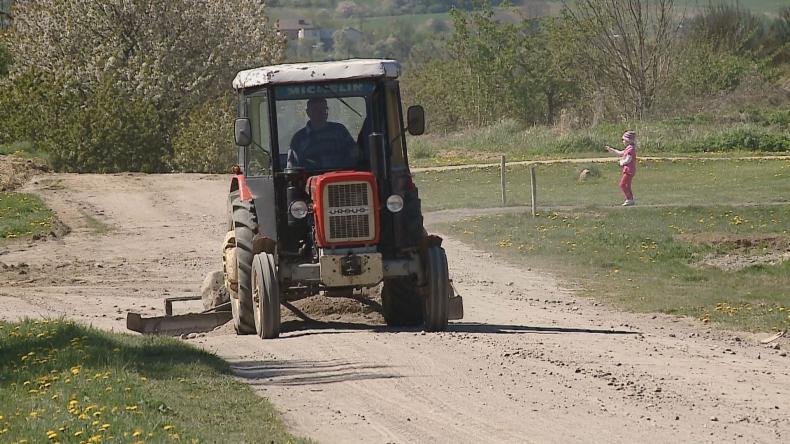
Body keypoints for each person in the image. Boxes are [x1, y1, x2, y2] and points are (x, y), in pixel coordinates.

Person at [287, 97, 359, 170]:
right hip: (310, 178)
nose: (320, 113)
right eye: (316, 110)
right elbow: (293, 169)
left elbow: (355, 155)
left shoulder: (339, 131)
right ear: (308, 112)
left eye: (324, 109)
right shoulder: (299, 139)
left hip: (340, 176)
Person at [605, 130, 637, 206]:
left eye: (624, 140)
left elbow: (628, 159)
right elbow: (620, 153)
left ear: (628, 141)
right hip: (628, 170)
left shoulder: (631, 149)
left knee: (622, 184)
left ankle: (629, 199)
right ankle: (630, 199)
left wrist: (621, 162)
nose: (623, 141)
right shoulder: (628, 148)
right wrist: (611, 150)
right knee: (627, 185)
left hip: (629, 170)